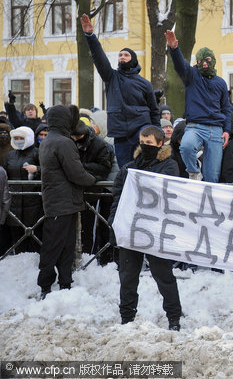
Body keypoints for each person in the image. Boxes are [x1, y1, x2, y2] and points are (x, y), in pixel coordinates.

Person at [109, 125, 183, 330]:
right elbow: (118, 198)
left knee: (164, 277)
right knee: (128, 278)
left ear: (160, 144)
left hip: (155, 231)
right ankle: (127, 318)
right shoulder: (128, 169)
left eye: (149, 143)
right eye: (142, 142)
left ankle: (174, 318)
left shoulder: (169, 166)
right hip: (132, 230)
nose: (144, 145)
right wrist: (114, 225)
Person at [81, 14, 160, 167]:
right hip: (120, 132)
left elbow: (154, 110)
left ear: (133, 59)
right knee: (125, 169)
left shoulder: (145, 84)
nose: (122, 57)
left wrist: (157, 132)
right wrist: (90, 36)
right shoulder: (112, 77)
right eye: (120, 55)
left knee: (144, 165)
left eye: (126, 55)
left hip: (140, 128)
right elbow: (99, 58)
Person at [38, 105, 97, 298]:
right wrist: (92, 180)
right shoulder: (64, 142)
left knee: (62, 245)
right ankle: (48, 286)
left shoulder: (48, 140)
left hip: (59, 201)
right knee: (57, 246)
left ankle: (63, 282)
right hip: (63, 202)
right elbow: (76, 173)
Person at [165, 29, 231, 181]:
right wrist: (174, 49)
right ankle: (194, 172)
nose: (205, 64)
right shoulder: (192, 75)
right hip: (195, 126)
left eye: (208, 60)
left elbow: (226, 109)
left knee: (212, 176)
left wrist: (227, 130)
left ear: (213, 60)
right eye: (201, 61)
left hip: (216, 130)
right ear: (197, 62)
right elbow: (180, 65)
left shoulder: (220, 83)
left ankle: (207, 201)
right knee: (186, 146)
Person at [71, 120, 113, 255]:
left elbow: (104, 168)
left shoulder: (100, 145)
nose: (75, 140)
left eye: (77, 138)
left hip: (92, 192)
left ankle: (89, 257)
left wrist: (81, 166)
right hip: (74, 191)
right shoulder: (70, 141)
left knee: (89, 228)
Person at [3, 126, 43, 254]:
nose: (19, 140)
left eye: (21, 138)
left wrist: (36, 169)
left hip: (34, 202)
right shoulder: (10, 155)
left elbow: (49, 170)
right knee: (17, 239)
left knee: (35, 238)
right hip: (14, 203)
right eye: (16, 138)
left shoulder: (37, 152)